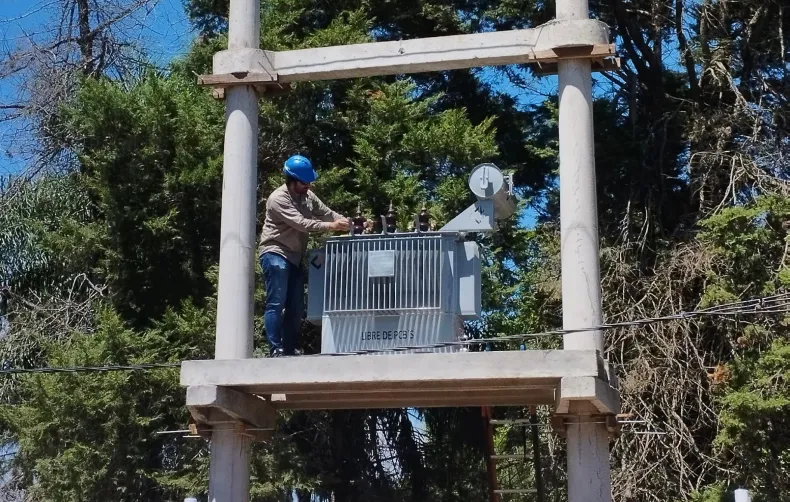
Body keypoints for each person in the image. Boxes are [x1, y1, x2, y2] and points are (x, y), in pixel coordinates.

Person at [258, 154, 350, 357]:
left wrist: (349, 223)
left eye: (309, 181)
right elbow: (302, 223)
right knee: (276, 302)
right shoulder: (278, 199)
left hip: (294, 256)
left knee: (296, 307)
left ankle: (289, 350)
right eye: (304, 182)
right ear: (292, 180)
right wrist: (331, 226)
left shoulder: (308, 196)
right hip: (275, 252)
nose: (308, 185)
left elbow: (327, 213)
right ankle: (275, 349)